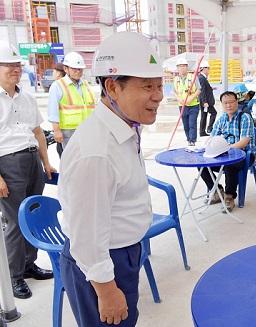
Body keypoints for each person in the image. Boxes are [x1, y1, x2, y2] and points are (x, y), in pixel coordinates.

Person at [58, 32, 163, 326]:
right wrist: (106, 289)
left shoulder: (125, 127)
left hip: (122, 254)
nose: (158, 96)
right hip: (101, 262)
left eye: (159, 85)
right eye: (147, 87)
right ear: (113, 87)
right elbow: (87, 233)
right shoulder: (97, 151)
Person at [0, 41, 56, 299]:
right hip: (7, 163)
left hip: (33, 159)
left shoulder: (26, 97)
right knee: (15, 221)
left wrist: (46, 162)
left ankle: (28, 264)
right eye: (9, 65)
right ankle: (13, 276)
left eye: (17, 65)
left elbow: (37, 132)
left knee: (33, 216)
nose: (15, 69)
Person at [201, 91, 254, 211]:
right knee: (202, 164)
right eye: (225, 103)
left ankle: (229, 196)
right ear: (222, 104)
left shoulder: (244, 117)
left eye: (231, 102)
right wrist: (208, 146)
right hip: (222, 153)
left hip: (243, 154)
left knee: (230, 164)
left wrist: (227, 149)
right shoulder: (221, 119)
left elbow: (244, 141)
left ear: (237, 102)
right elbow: (212, 138)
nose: (228, 105)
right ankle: (217, 190)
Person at [47, 51, 96, 151]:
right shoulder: (58, 86)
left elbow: (93, 106)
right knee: (72, 159)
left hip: (87, 129)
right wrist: (56, 131)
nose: (78, 71)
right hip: (68, 131)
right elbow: (53, 111)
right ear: (66, 69)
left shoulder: (86, 84)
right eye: (74, 69)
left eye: (80, 69)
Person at [174, 57, 200, 146]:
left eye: (184, 66)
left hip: (193, 105)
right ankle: (188, 139)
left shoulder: (193, 77)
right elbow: (175, 91)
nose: (182, 68)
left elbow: (199, 90)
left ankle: (192, 141)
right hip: (182, 106)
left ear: (187, 67)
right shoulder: (176, 79)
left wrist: (190, 98)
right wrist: (179, 99)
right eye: (180, 66)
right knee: (185, 125)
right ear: (177, 68)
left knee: (192, 123)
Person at [198, 60, 217, 136]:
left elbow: (205, 89)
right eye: (208, 68)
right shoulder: (202, 78)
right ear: (204, 68)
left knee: (204, 115)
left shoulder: (202, 77)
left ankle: (202, 132)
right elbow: (202, 91)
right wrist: (205, 102)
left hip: (205, 101)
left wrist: (211, 88)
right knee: (213, 113)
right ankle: (209, 128)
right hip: (206, 102)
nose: (209, 70)